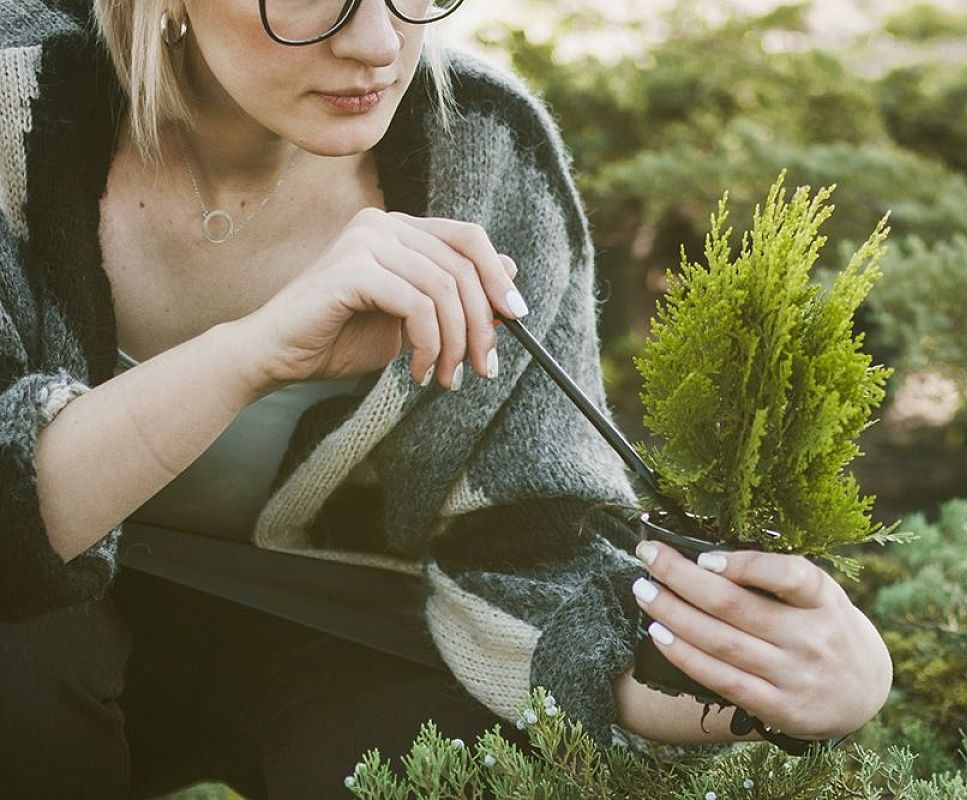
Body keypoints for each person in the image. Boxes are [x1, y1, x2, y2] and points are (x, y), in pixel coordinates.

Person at [0, 0, 894, 796]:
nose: (382, 43)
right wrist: (253, 353)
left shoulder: (487, 152)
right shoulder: (16, 107)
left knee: (422, 751)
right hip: (36, 624)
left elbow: (533, 546)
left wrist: (771, 688)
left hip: (326, 627)